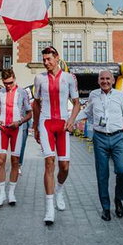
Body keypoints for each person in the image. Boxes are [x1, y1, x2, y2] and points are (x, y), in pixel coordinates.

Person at [77, 71, 123, 221]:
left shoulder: (120, 95)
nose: (105, 81)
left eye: (107, 78)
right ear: (98, 81)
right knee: (102, 175)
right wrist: (71, 120)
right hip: (100, 138)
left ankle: (118, 199)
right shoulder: (94, 95)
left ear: (113, 80)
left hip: (117, 137)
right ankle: (106, 208)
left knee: (122, 170)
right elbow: (87, 112)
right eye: (102, 79)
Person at [32, 46, 80, 225]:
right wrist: (36, 126)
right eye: (43, 60)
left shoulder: (69, 78)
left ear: (57, 58)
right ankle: (49, 208)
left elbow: (76, 103)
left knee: (65, 166)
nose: (46, 63)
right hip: (46, 123)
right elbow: (35, 104)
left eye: (48, 59)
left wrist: (72, 120)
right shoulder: (39, 78)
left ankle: (59, 190)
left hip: (63, 125)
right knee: (49, 163)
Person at [0, 69, 32, 207]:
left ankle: (11, 193)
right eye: (5, 83)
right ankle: (2, 193)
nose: (8, 85)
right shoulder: (0, 93)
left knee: (15, 161)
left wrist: (19, 122)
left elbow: (29, 113)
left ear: (14, 78)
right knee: (1, 161)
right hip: (3, 129)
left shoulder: (22, 92)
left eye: (10, 82)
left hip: (17, 129)